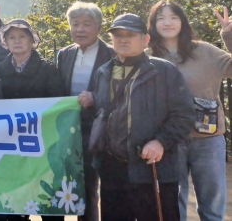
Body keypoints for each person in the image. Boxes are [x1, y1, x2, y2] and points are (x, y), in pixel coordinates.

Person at [81, 13, 194, 221]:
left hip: (151, 169)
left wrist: (161, 142)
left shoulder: (164, 71)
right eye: (118, 35)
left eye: (130, 35)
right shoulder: (103, 72)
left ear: (146, 39)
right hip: (111, 170)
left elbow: (185, 115)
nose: (123, 39)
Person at [147, 1, 232, 221]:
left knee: (212, 205)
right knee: (174, 204)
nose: (167, 22)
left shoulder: (204, 51)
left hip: (208, 140)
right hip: (168, 140)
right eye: (160, 18)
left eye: (173, 17)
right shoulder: (147, 57)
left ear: (182, 22)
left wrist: (229, 36)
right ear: (153, 24)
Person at [56, 2, 113, 221]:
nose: (79, 29)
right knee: (67, 184)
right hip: (69, 129)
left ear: (99, 27)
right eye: (75, 24)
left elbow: (122, 92)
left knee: (92, 186)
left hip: (100, 130)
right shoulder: (64, 54)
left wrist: (95, 98)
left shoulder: (113, 54)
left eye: (87, 24)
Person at [0, 19, 64, 99]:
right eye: (12, 37)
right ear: (6, 42)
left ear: (31, 40)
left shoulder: (48, 69)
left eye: (22, 37)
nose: (17, 41)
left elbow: (58, 100)